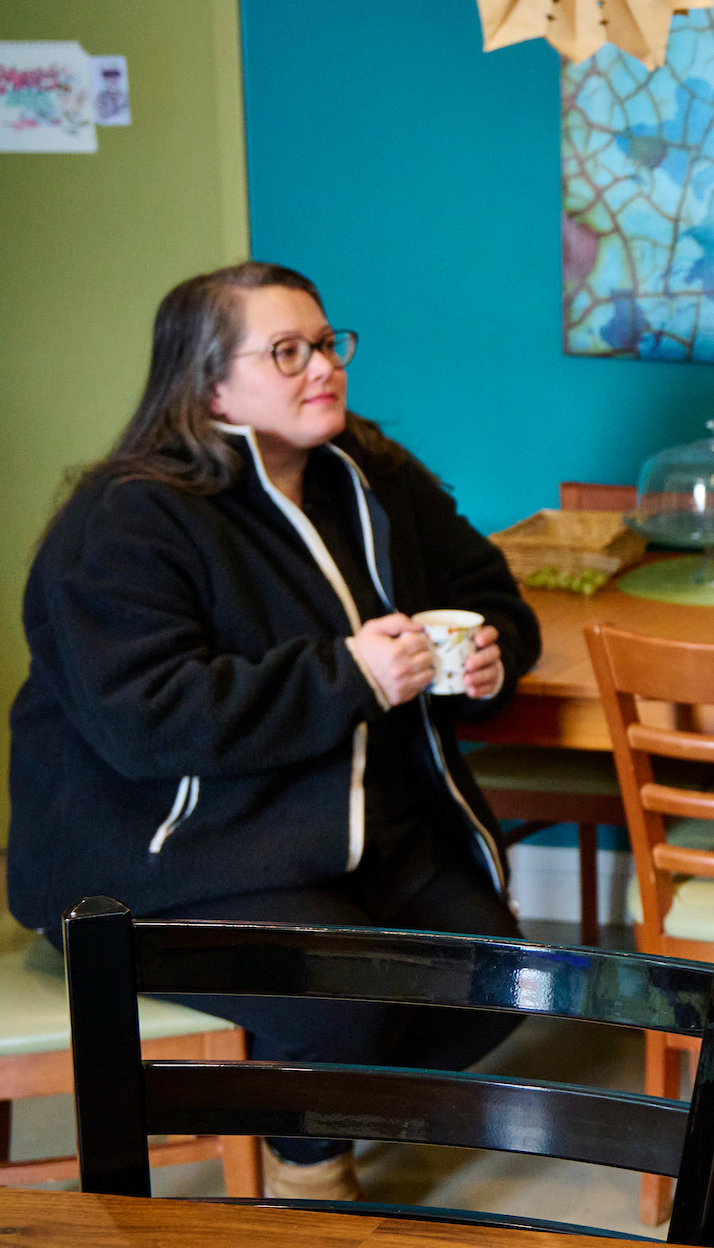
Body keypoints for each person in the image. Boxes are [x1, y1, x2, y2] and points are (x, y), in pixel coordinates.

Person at [7, 261, 540, 1202]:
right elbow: (147, 718)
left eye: (328, 345)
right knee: (343, 1004)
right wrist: (351, 674)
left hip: (349, 835)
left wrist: (493, 658)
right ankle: (305, 1166)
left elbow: (486, 592)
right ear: (209, 384)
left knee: (499, 979)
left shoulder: (370, 473)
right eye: (286, 351)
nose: (322, 367)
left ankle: (285, 1093)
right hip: (168, 857)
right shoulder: (126, 518)